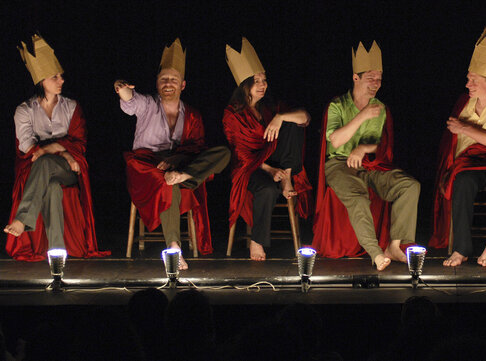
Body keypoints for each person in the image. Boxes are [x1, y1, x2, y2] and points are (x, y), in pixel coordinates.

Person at [116, 38, 230, 269]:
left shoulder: (192, 114)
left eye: (173, 79)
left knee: (223, 153)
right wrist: (121, 88)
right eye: (163, 79)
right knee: (169, 182)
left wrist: (177, 161)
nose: (168, 83)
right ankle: (174, 248)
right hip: (146, 166)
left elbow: (197, 147)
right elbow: (130, 101)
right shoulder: (147, 104)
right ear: (157, 84)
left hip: (180, 164)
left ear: (183, 85)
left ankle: (184, 175)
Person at [312, 41, 420, 271]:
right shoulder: (337, 105)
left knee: (409, 186)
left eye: (379, 79)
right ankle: (375, 252)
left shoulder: (378, 107)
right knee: (359, 196)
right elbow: (335, 140)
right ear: (355, 78)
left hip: (368, 165)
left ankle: (394, 245)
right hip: (338, 164)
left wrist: (362, 149)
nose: (376, 84)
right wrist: (362, 116)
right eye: (370, 78)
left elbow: (373, 142)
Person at [5, 34, 109, 261]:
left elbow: (79, 143)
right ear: (42, 80)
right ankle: (57, 252)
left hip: (68, 169)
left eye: (61, 76)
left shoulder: (71, 107)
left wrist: (49, 149)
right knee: (51, 185)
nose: (61, 80)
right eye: (55, 77)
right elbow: (27, 148)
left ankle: (23, 219)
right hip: (41, 167)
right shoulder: (24, 110)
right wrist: (60, 150)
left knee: (45, 162)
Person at [429, 29, 486, 267]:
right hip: (470, 161)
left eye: (473, 80)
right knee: (461, 181)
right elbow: (455, 140)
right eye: (468, 78)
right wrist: (474, 132)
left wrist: (466, 128)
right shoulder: (464, 103)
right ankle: (461, 249)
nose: (467, 84)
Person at [223, 38, 312, 260]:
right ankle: (257, 241)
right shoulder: (232, 113)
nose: (263, 85)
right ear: (244, 85)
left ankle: (288, 177)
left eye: (264, 80)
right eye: (256, 81)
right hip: (251, 168)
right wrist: (270, 170)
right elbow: (240, 154)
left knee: (293, 121)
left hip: (279, 161)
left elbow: (305, 118)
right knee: (267, 190)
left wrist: (280, 117)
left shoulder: (271, 107)